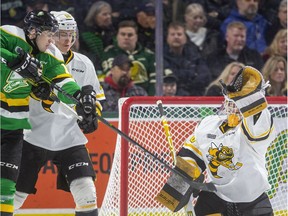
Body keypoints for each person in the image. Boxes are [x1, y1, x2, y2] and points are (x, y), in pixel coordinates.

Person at [0, 10, 97, 216]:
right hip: (26, 133)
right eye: (50, 34)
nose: (54, 40)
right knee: (8, 193)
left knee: (86, 194)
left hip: (33, 129)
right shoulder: (11, 33)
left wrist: (81, 99)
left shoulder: (51, 54)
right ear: (33, 31)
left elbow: (63, 80)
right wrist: (17, 60)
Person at [177, 66, 276, 215]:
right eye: (233, 102)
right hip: (215, 199)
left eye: (239, 103)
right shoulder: (209, 124)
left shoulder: (257, 126)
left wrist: (251, 97)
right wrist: (181, 183)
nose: (236, 107)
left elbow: (257, 127)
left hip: (252, 202)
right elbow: (191, 155)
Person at [101, 20, 156, 95]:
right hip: (113, 96)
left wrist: (150, 101)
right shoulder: (108, 53)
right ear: (117, 36)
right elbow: (109, 78)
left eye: (130, 35)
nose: (126, 37)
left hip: (141, 96)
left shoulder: (148, 55)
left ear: (136, 37)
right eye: (123, 34)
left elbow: (155, 81)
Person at [164, 21, 211, 96]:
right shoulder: (161, 55)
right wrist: (191, 75)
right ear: (167, 38)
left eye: (179, 34)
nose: (176, 37)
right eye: (172, 34)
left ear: (185, 37)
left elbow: (205, 76)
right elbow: (169, 78)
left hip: (194, 96)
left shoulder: (195, 53)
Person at [79, 1, 116, 74]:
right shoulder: (85, 35)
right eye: (104, 14)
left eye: (109, 14)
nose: (108, 17)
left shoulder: (113, 33)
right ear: (94, 16)